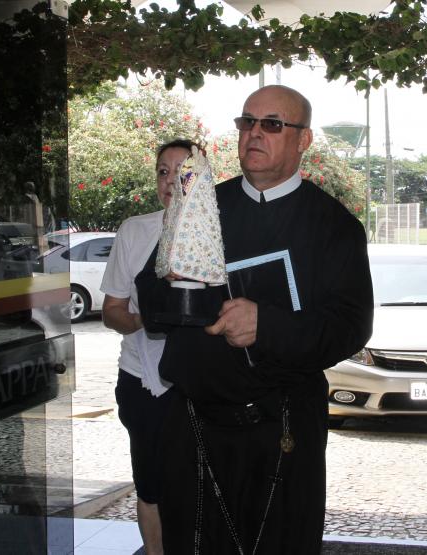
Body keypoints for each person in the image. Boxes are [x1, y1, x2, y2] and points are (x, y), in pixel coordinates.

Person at [136, 85, 374, 554]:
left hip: (284, 428)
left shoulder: (334, 225)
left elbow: (351, 326)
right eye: (247, 122)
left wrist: (268, 327)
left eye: (272, 124)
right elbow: (149, 301)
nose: (254, 133)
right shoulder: (199, 206)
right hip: (195, 422)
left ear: (303, 140)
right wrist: (174, 284)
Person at [100, 139, 195, 555]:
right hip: (143, 380)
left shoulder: (228, 231)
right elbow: (112, 311)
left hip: (204, 382)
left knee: (202, 480)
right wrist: (148, 318)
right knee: (152, 484)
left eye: (183, 170)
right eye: (162, 171)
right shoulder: (135, 231)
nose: (171, 181)